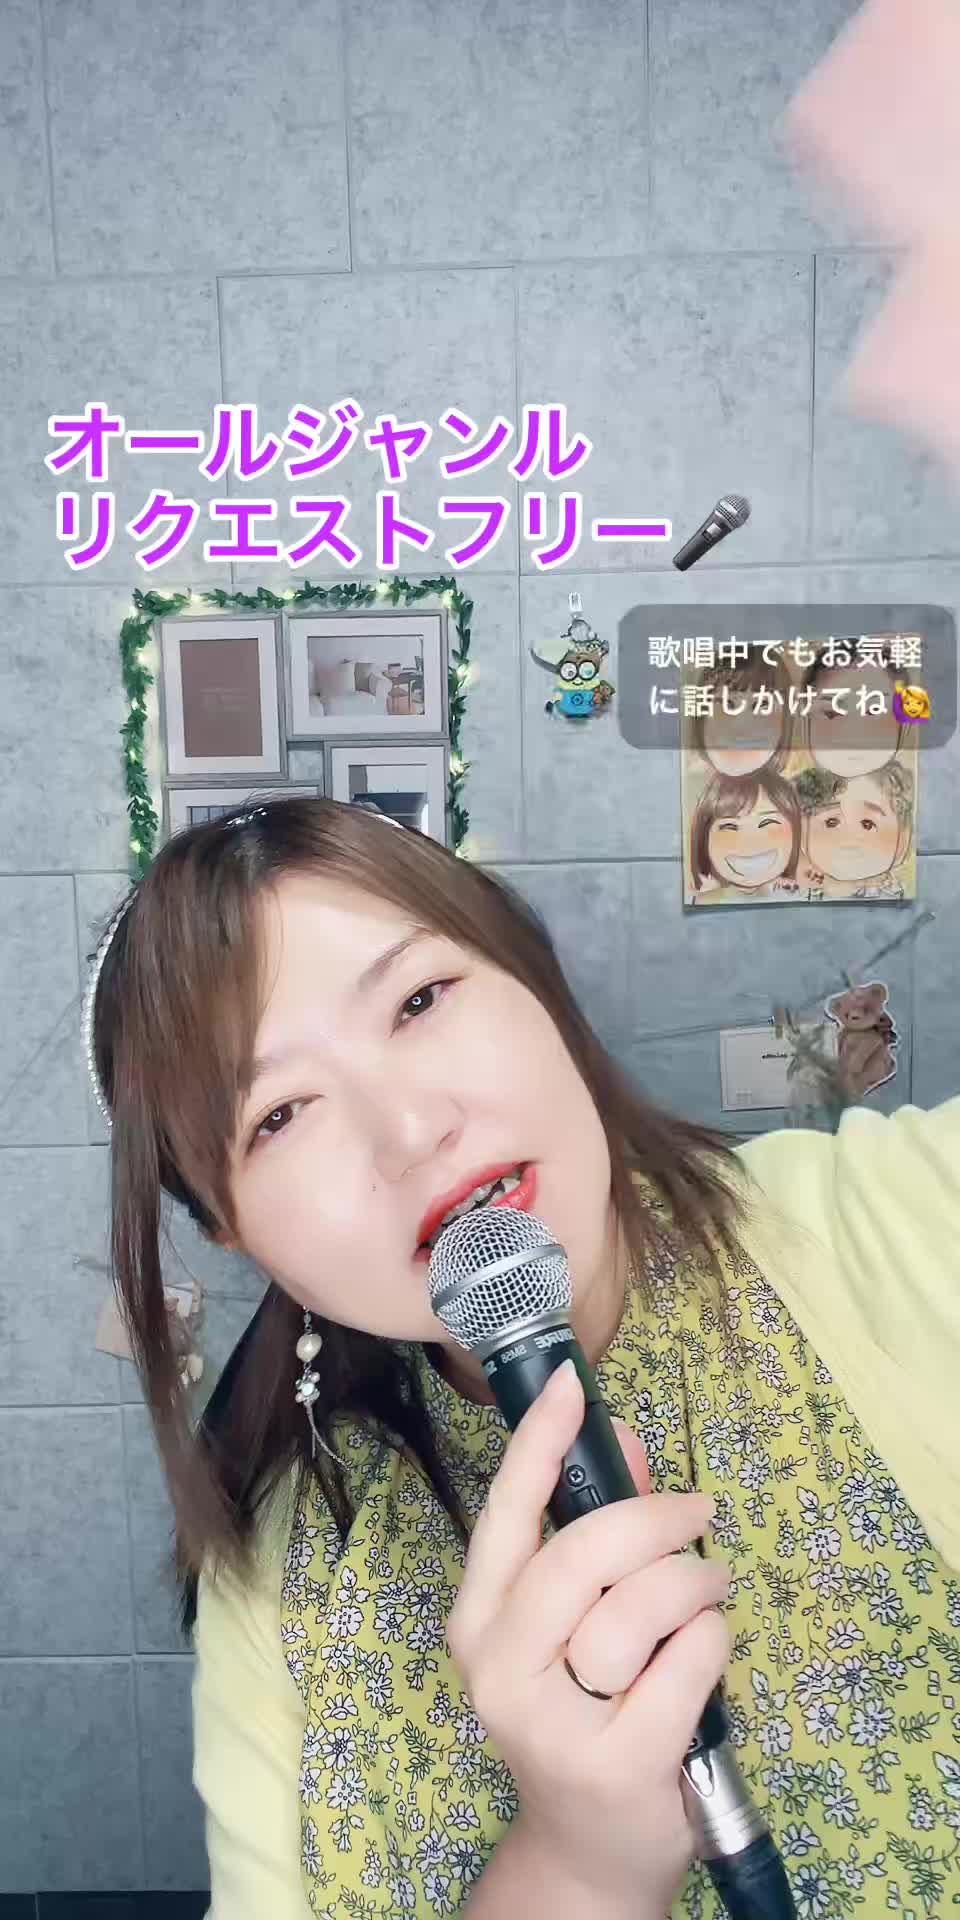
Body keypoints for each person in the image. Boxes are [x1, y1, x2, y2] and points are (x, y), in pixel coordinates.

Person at [83, 796, 960, 1919]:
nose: (410, 1133)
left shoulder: (900, 1216)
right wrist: (577, 1865)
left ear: (533, 979)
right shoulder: (272, 1581)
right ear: (229, 1230)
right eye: (280, 1115)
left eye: (419, 1000)